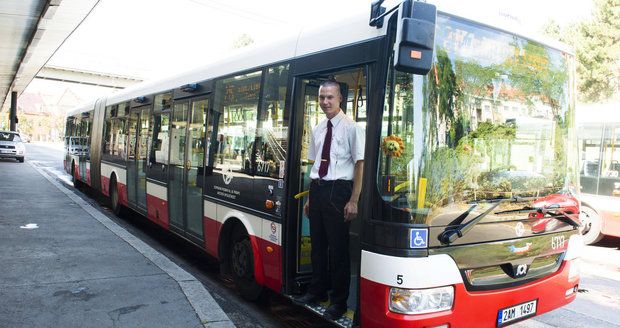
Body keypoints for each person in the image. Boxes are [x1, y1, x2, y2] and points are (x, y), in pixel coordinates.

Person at [293, 79, 364, 320]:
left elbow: (359, 165)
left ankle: (339, 302)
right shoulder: (318, 128)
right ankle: (317, 291)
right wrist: (311, 197)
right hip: (319, 189)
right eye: (322, 97)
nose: (325, 102)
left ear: (340, 98)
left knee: (338, 250)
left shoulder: (352, 128)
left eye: (330, 97)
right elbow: (316, 163)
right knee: (317, 247)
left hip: (339, 190)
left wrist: (354, 199)